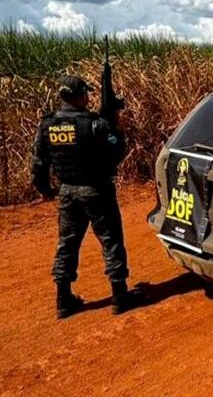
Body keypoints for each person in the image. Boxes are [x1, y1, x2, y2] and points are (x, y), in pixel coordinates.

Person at [31, 75, 141, 318]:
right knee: (110, 240)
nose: (88, 97)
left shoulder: (48, 124)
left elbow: (38, 163)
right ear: (79, 94)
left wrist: (46, 190)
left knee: (67, 244)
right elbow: (115, 154)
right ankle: (119, 296)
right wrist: (117, 129)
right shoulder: (93, 123)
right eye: (86, 93)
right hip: (96, 190)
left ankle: (63, 299)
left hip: (67, 192)